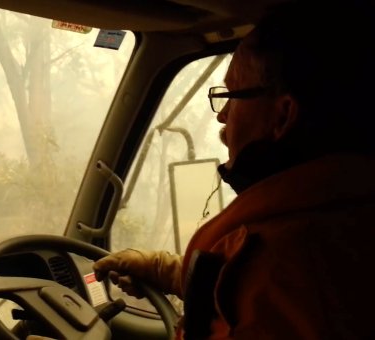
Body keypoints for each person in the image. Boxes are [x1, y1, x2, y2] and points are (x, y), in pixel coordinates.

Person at [94, 1, 375, 339]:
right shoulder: (340, 215)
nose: (222, 115)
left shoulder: (285, 266)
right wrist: (169, 271)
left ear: (283, 116)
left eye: (233, 95)